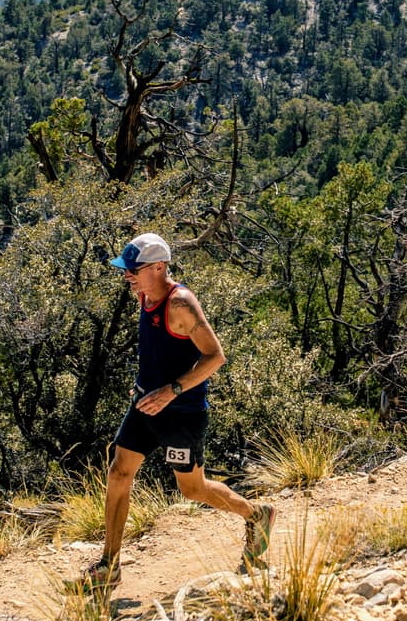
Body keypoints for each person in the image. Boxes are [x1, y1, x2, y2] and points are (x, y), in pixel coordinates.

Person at [69, 232, 275, 592]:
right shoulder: (145, 296)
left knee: (192, 490)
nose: (127, 275)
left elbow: (216, 357)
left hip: (181, 412)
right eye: (126, 269)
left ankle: (257, 515)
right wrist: (149, 388)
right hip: (146, 405)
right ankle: (110, 565)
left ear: (159, 267)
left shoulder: (180, 304)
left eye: (134, 269)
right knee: (119, 473)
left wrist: (173, 390)